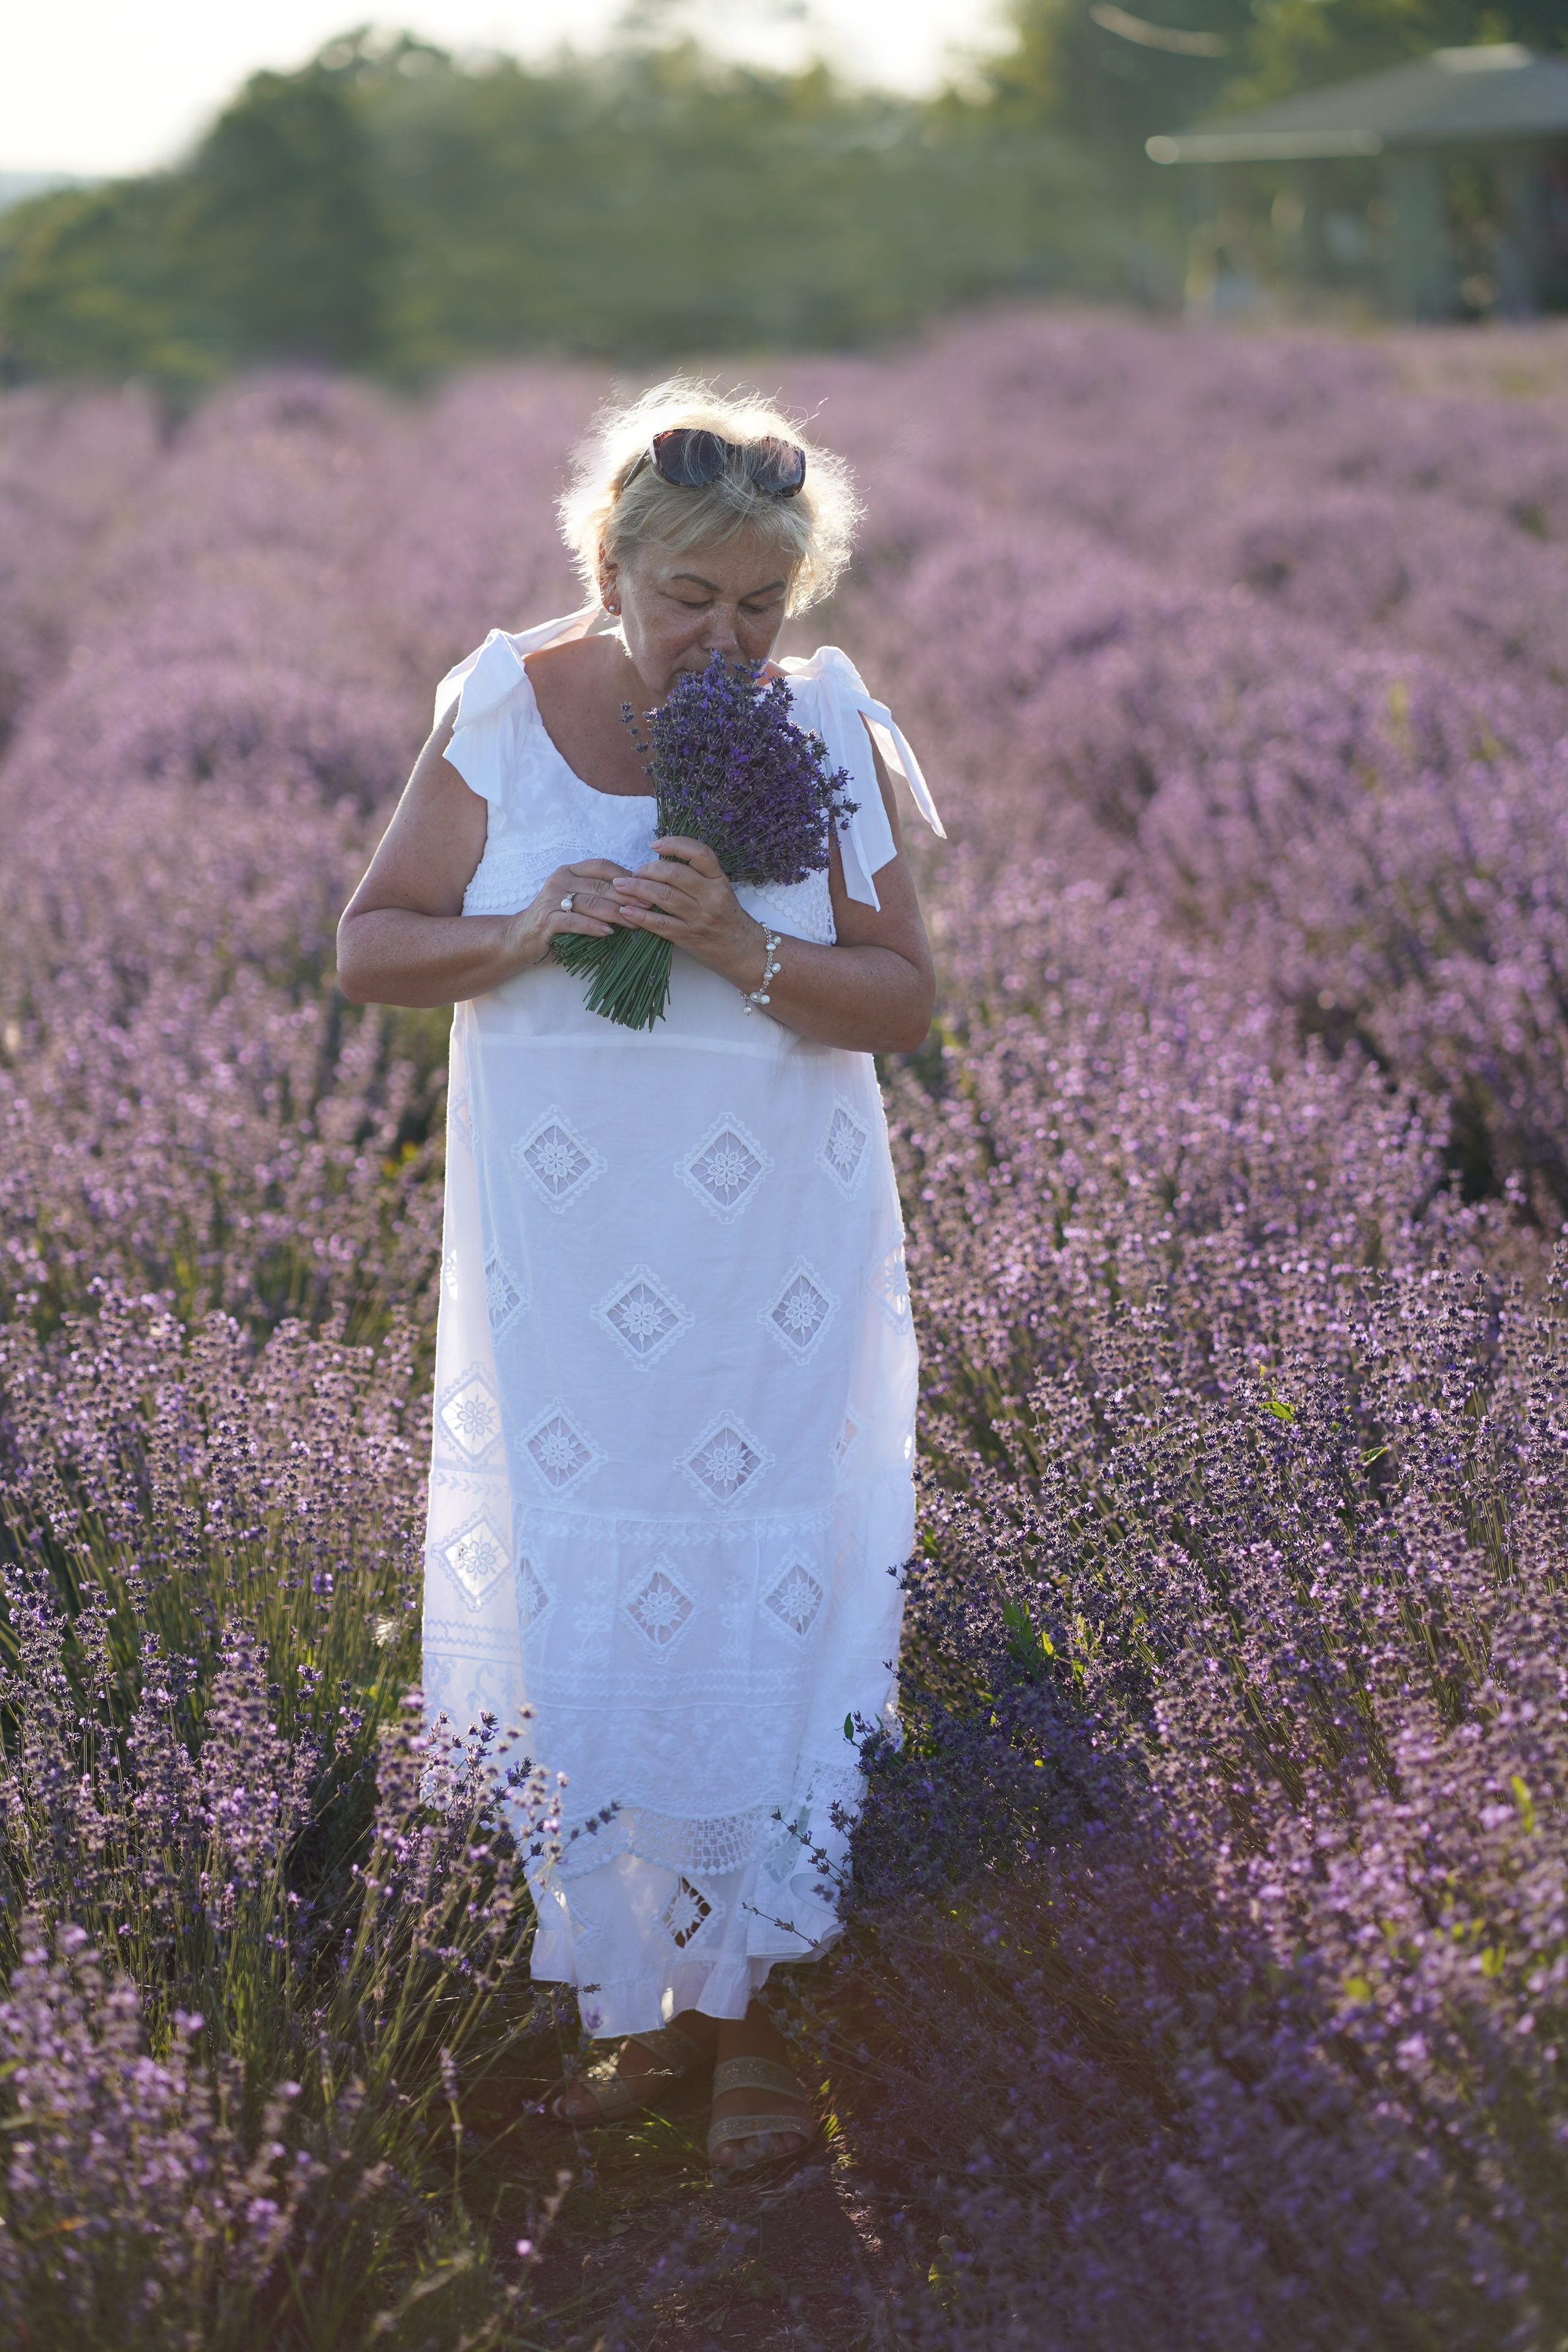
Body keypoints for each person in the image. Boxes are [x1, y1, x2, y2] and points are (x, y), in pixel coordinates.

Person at [336, 380, 942, 2177]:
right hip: (568, 1252)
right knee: (591, 1584)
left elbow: (903, 998)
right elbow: (373, 945)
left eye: (765, 602)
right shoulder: (500, 704)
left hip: (770, 1253)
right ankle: (644, 1994)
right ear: (611, 563)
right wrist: (538, 928)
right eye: (693, 599)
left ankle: (757, 2021)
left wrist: (739, 944)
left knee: (762, 1586)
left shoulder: (826, 720)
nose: (731, 639)